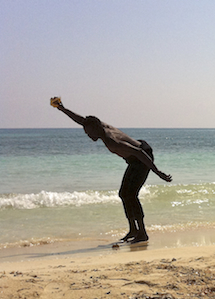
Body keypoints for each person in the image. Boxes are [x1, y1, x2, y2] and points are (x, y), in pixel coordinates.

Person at [51, 97, 172, 243]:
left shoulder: (112, 140)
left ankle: (142, 233)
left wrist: (158, 172)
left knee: (131, 194)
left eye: (90, 133)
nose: (89, 136)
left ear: (97, 129)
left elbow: (139, 153)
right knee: (124, 194)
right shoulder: (97, 125)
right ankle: (133, 230)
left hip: (142, 157)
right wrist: (62, 108)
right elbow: (82, 120)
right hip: (135, 156)